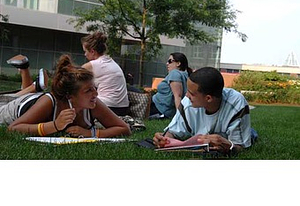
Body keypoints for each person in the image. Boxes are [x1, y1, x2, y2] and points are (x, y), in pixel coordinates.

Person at [1, 54, 131, 138]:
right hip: (12, 108)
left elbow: (124, 129)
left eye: (94, 88)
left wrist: (92, 133)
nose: (95, 94)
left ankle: (33, 86)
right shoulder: (50, 102)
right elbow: (13, 128)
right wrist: (55, 125)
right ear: (70, 96)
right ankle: (31, 81)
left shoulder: (93, 103)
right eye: (88, 91)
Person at [153, 67, 252, 155]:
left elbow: (241, 147)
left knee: (251, 134)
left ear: (208, 98)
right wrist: (163, 139)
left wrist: (230, 146)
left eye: (191, 93)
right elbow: (172, 132)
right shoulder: (187, 103)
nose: (186, 95)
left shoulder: (236, 105)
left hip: (232, 127)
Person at [81, 32, 130, 116]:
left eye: (85, 51)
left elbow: (72, 78)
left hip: (108, 107)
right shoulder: (111, 62)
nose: (85, 54)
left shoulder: (93, 65)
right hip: (123, 108)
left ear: (92, 51)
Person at [150, 52, 193, 118]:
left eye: (170, 61)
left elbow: (178, 96)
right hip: (160, 107)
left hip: (158, 107)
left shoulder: (175, 73)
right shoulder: (185, 75)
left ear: (178, 63)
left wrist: (179, 117)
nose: (167, 63)